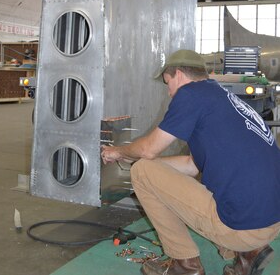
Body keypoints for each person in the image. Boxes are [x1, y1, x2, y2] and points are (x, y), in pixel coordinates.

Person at [101, 49, 280, 275]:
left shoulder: (190, 94)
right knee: (148, 168)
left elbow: (147, 150)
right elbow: (191, 164)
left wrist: (119, 152)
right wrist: (153, 168)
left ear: (178, 74)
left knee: (141, 172)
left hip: (243, 227)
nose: (169, 93)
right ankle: (247, 254)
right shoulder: (220, 96)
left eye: (167, 83)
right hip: (270, 222)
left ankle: (184, 265)